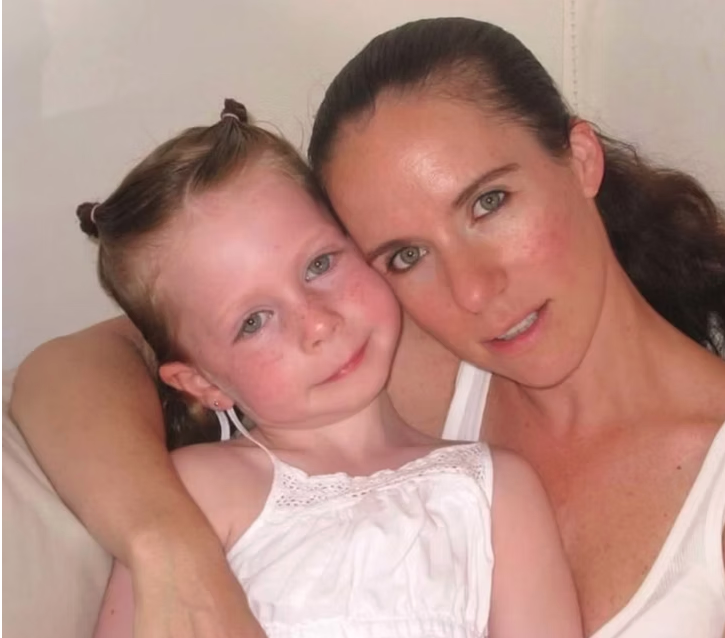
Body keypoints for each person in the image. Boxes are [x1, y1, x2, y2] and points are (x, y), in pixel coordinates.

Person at [11, 16, 725, 638]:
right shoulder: (387, 360)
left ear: (579, 158)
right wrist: (169, 545)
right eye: (404, 254)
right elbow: (70, 369)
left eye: (488, 203)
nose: (473, 290)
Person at [79, 99, 581, 638]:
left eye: (319, 264)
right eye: (254, 321)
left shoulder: (494, 491)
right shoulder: (193, 495)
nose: (317, 323)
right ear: (202, 383)